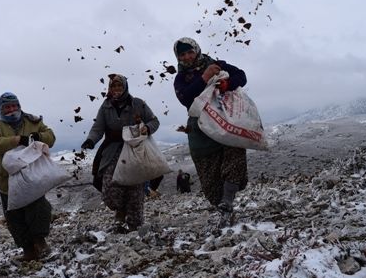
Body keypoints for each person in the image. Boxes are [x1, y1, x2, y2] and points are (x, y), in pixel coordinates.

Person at [172, 37, 248, 227]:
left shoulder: (217, 64)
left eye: (190, 52)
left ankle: (228, 201)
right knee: (211, 184)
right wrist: (204, 77)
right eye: (182, 54)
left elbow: (241, 76)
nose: (187, 57)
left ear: (196, 50)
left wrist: (226, 84)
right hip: (199, 129)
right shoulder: (180, 79)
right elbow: (186, 98)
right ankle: (223, 207)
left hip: (225, 121)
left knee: (234, 149)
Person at [81, 74, 160, 232]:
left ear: (125, 87)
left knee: (135, 187)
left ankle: (135, 227)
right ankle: (120, 210)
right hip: (112, 150)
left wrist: (147, 128)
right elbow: (98, 128)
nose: (117, 89)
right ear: (109, 88)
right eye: (113, 86)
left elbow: (154, 121)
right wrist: (90, 140)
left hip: (135, 150)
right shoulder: (106, 106)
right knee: (109, 186)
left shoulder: (138, 103)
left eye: (120, 86)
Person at [0, 92, 56, 262]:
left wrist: (37, 137)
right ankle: (28, 251)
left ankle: (40, 241)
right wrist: (18, 140)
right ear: (1, 109)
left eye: (14, 105)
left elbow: (51, 137)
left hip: (32, 176)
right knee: (14, 217)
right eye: (7, 107)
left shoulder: (33, 121)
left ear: (19, 106)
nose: (11, 110)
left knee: (38, 208)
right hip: (7, 180)